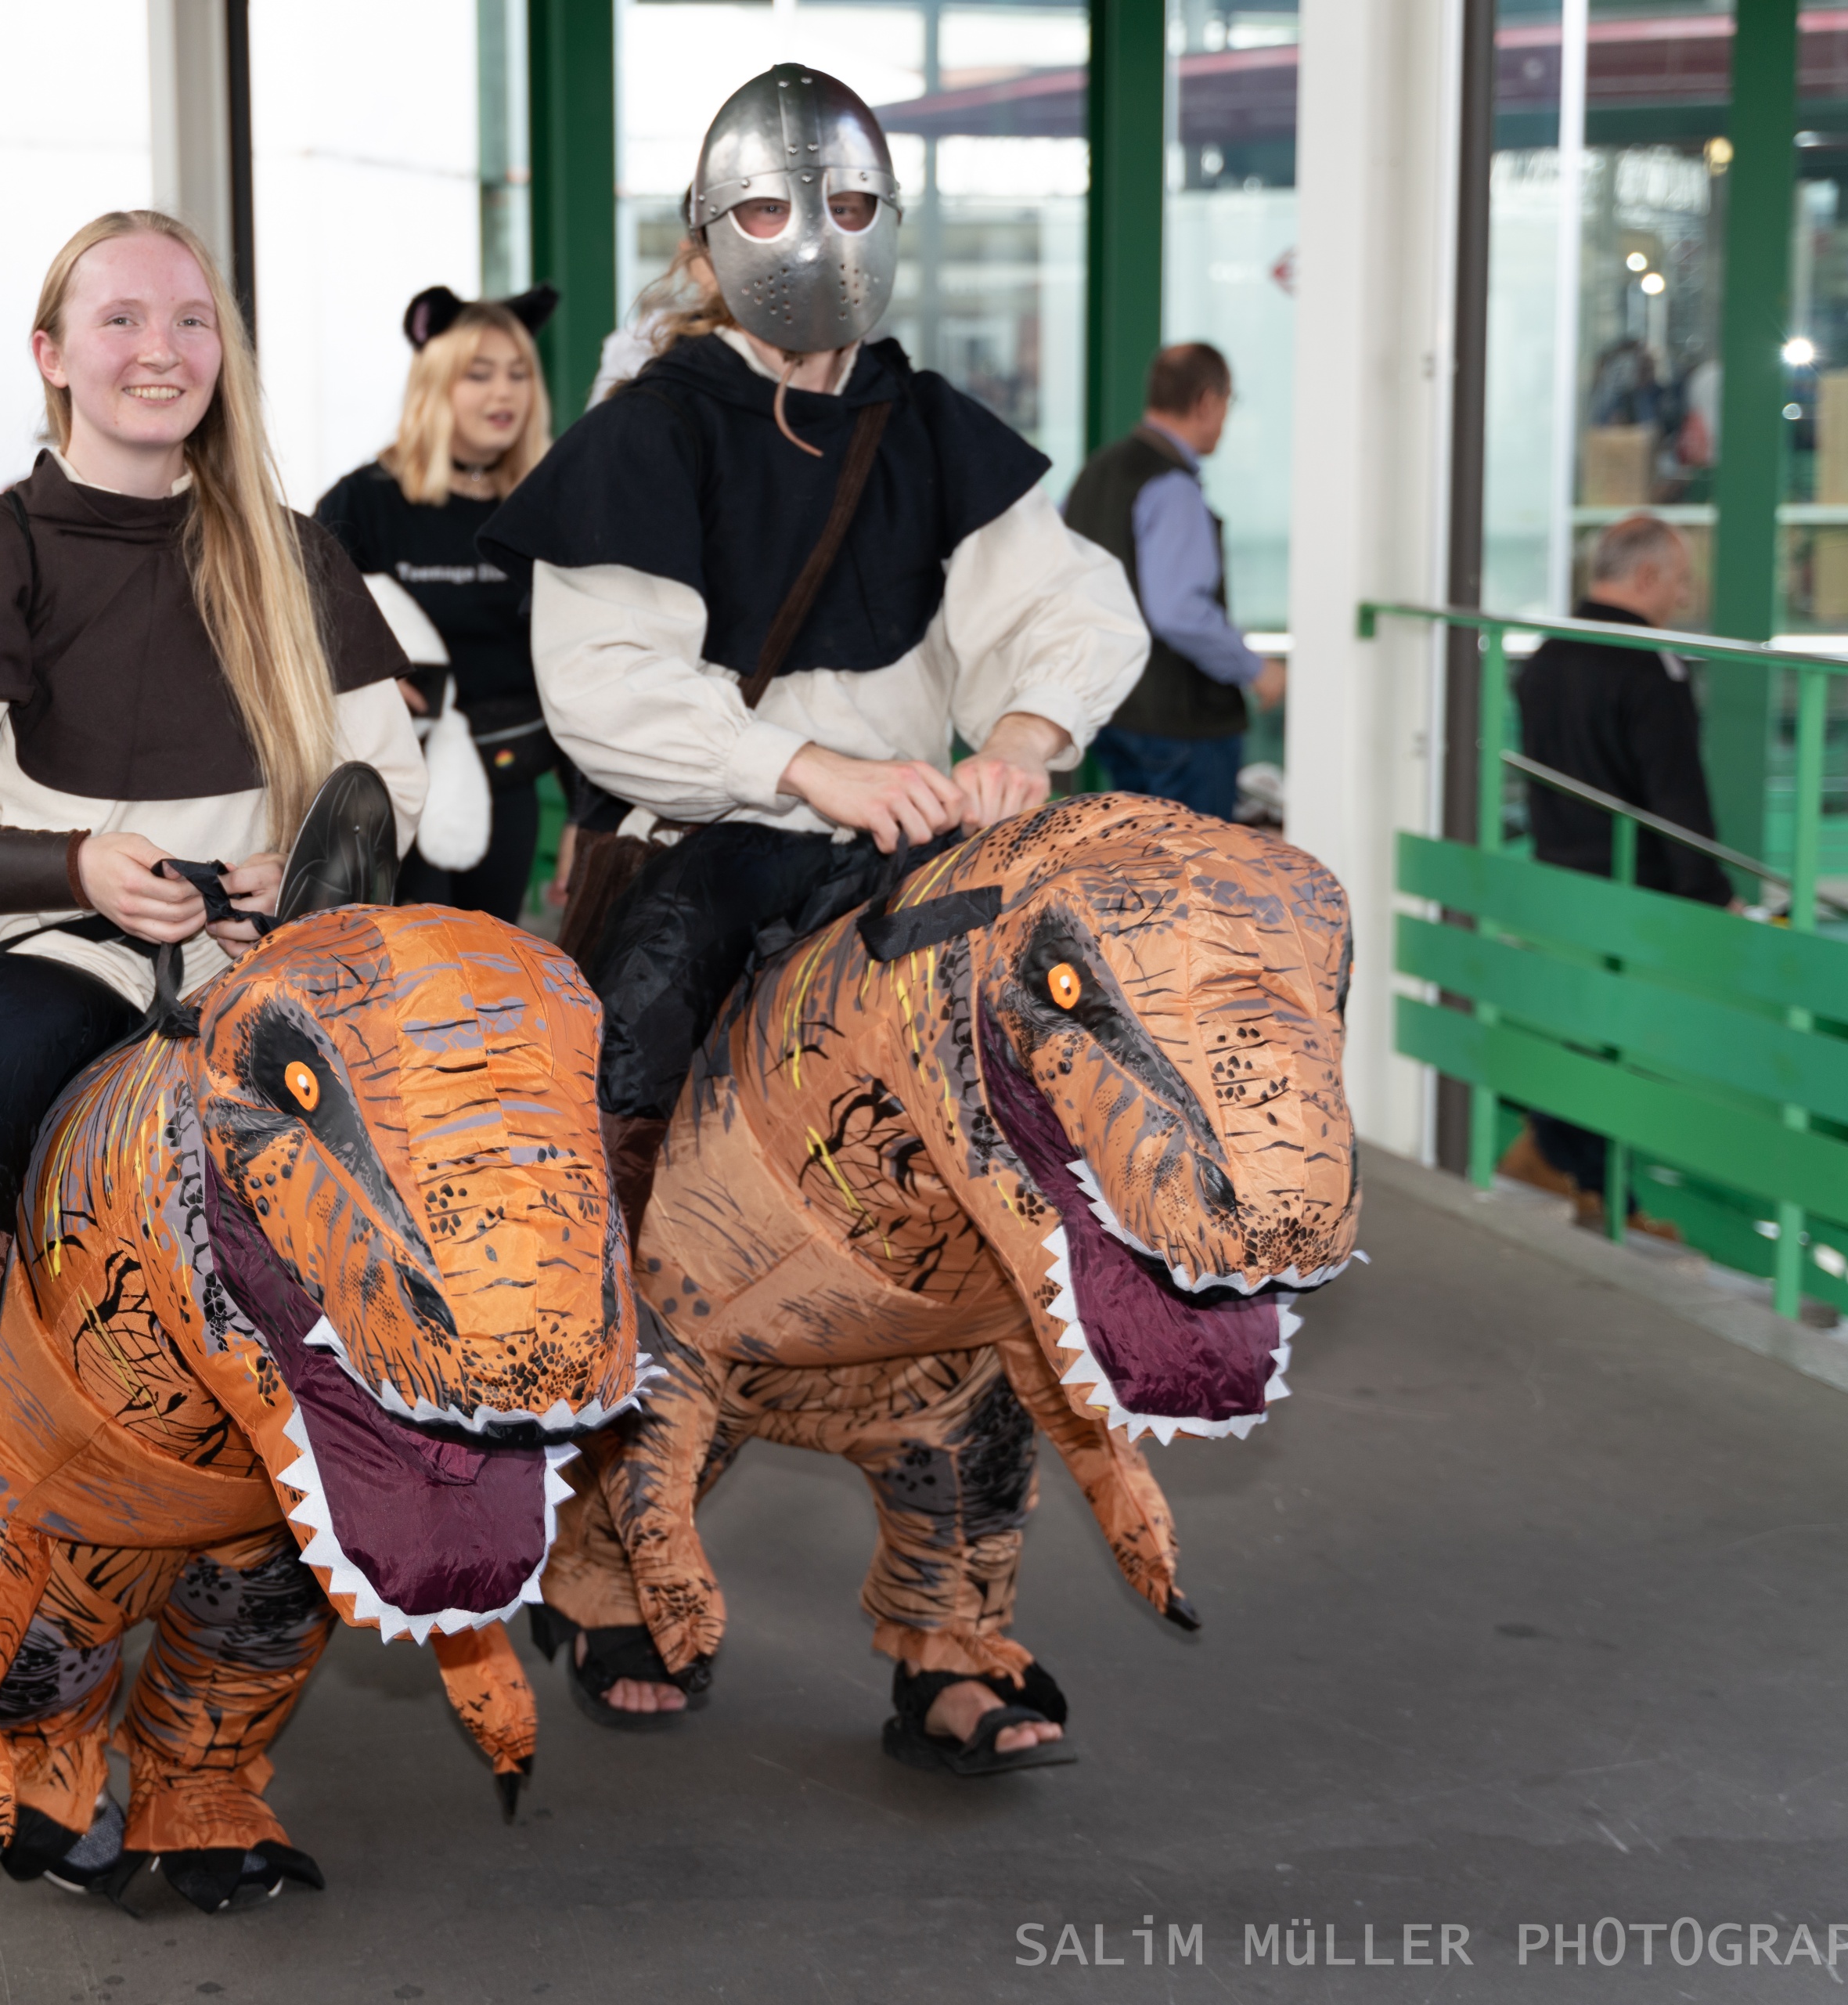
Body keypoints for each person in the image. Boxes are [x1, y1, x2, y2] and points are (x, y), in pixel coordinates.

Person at [480, 64, 1147, 1748]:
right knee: (610, 1155)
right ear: (711, 238)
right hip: (697, 846)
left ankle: (954, 1627)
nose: (818, 244)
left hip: (910, 860)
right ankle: (607, 1561)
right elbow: (608, 689)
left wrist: (1017, 735)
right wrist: (802, 767)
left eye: (852, 209)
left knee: (1027, 1171)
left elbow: (1070, 604)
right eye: (777, 212)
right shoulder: (643, 429)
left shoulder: (931, 426)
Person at [0, 209, 427, 1525]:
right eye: (123, 319)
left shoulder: (293, 549)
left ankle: (440, 1411)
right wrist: (79, 865)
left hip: (270, 959)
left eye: (192, 320)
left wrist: (300, 867)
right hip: (68, 953)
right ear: (52, 353)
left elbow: (389, 786)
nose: (164, 349)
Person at [1498, 511, 1731, 1229]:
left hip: (1557, 879)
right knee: (1617, 1045)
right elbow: (1676, 798)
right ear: (1647, 576)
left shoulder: (1545, 657)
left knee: (1576, 1029)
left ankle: (1553, 1156)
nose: (1681, 599)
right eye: (1679, 582)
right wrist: (1711, 894)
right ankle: (1605, 1194)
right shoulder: (1649, 665)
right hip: (1632, 897)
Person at [314, 283, 565, 922]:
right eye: (478, 375)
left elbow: (579, 666)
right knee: (410, 982)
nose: (503, 393)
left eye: (517, 374)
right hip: (396, 787)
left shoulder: (546, 509)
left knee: (495, 972)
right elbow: (298, 623)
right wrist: (364, 674)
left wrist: (587, 820)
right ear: (435, 384)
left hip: (509, 783)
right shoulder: (363, 502)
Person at [1062, 341, 1283, 820]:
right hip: (1180, 726)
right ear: (1207, 401)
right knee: (1198, 877)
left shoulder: (1096, 472)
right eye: (1228, 402)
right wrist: (1255, 669)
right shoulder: (1172, 488)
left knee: (1139, 870)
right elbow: (1178, 611)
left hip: (1110, 711)